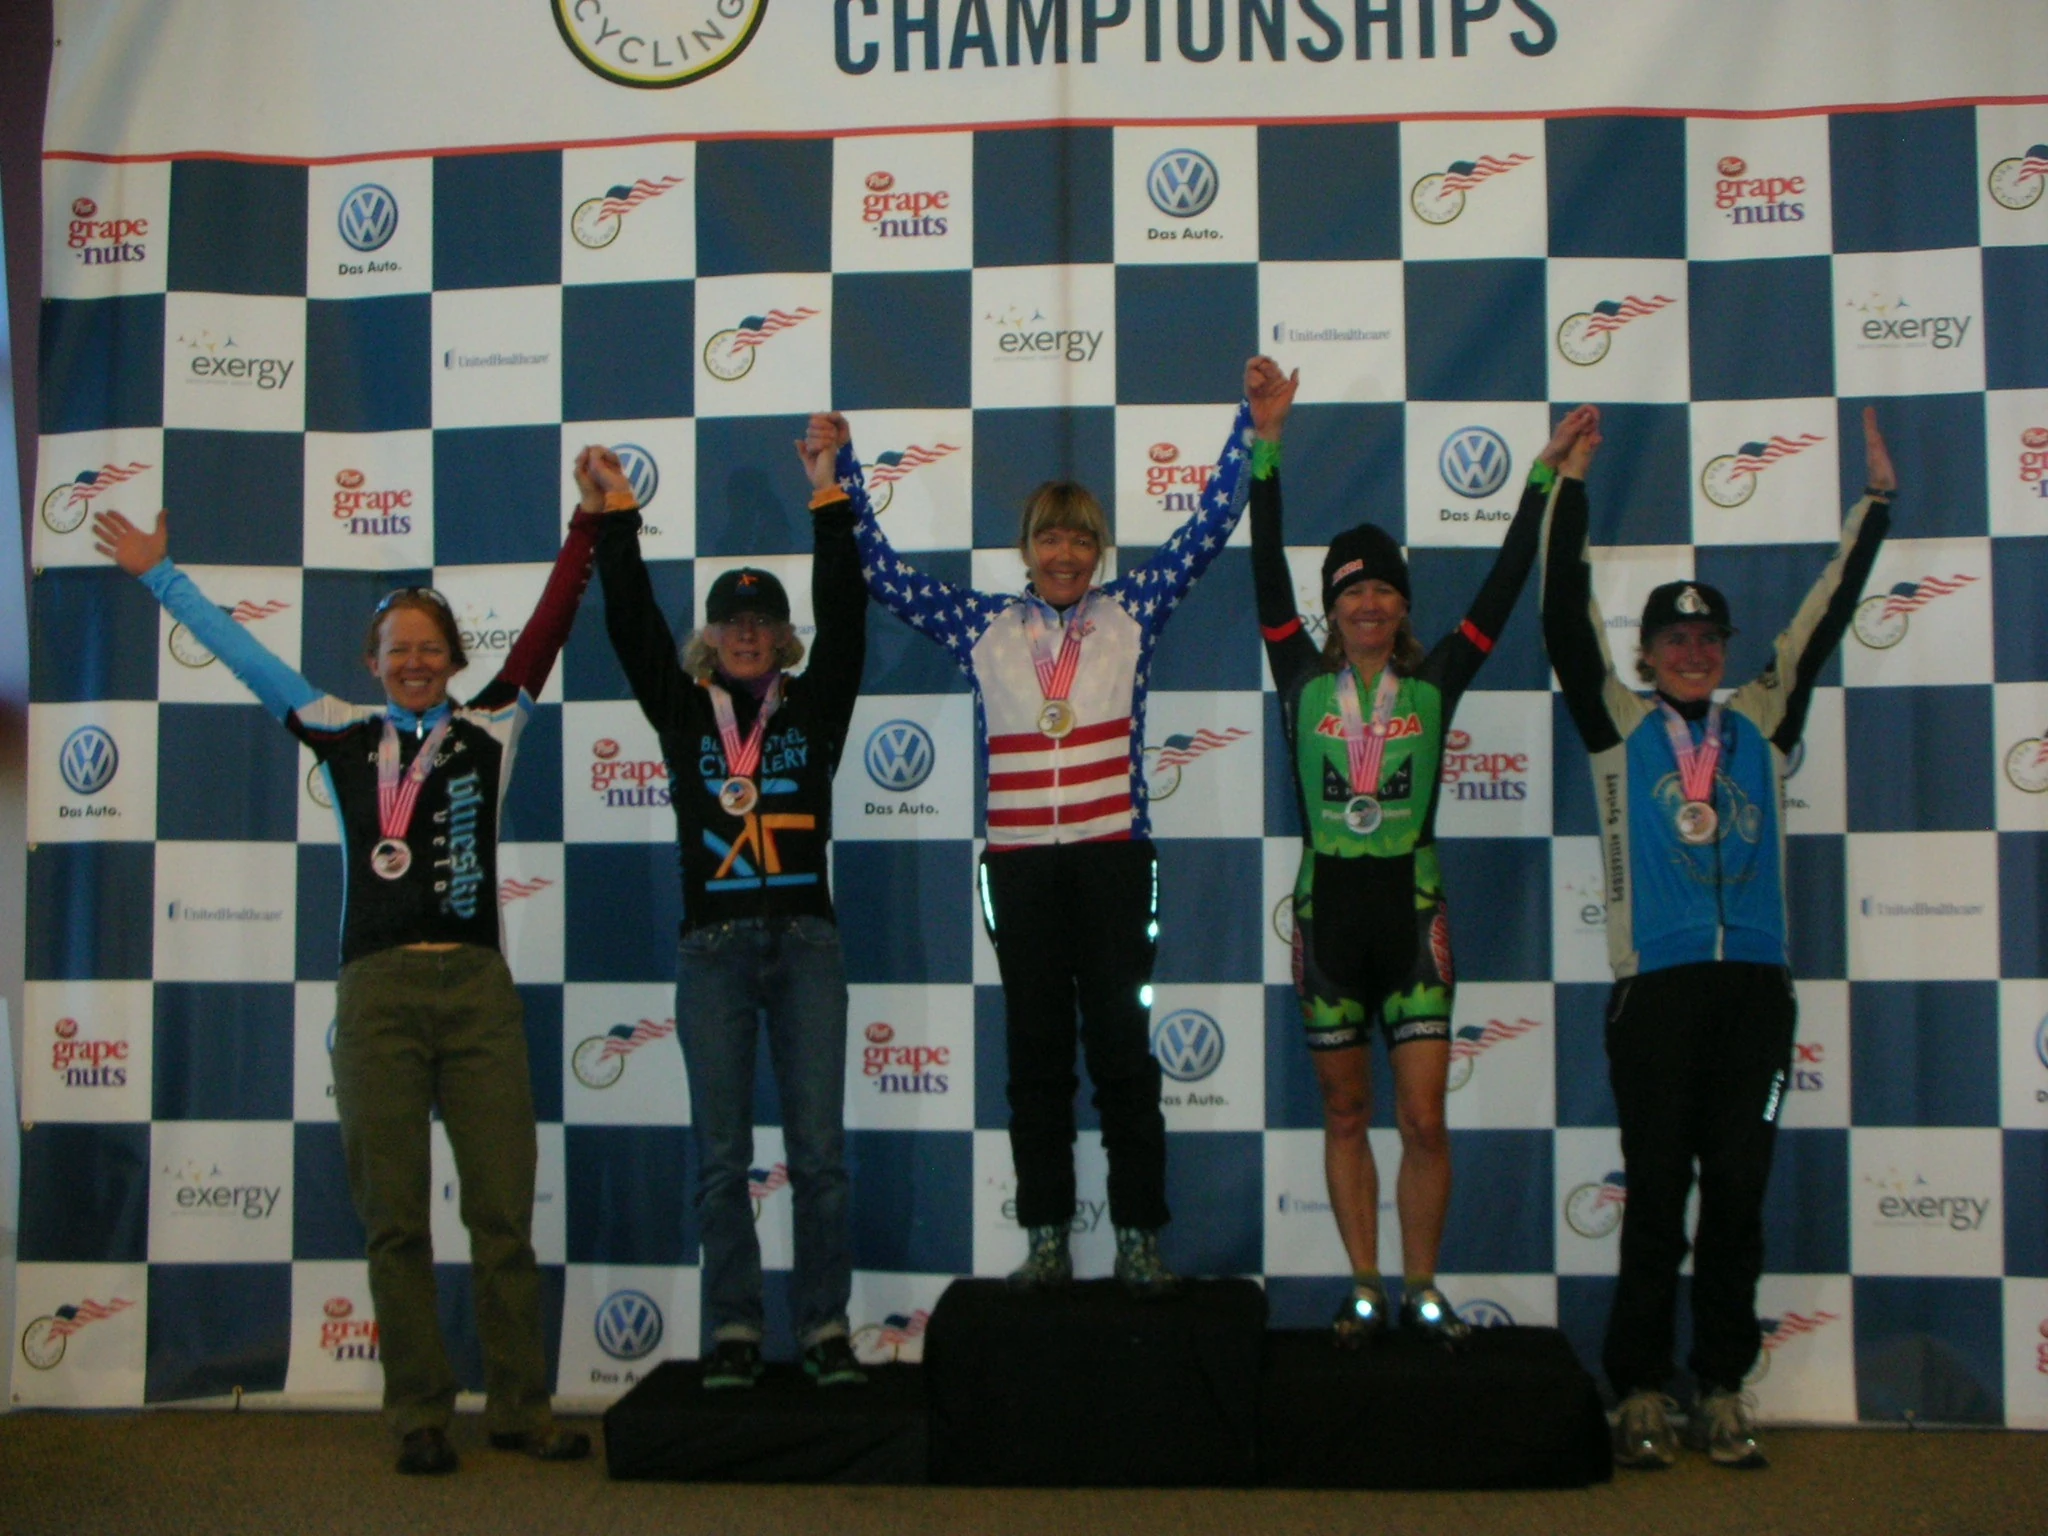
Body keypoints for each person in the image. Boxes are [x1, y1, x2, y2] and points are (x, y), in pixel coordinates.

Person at [92, 451, 628, 1474]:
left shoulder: (492, 726)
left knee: (502, 1217)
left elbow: (548, 627)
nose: (415, 662)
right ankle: (418, 1413)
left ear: (453, 658)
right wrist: (162, 575)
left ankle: (520, 1409)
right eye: (397, 650)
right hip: (377, 995)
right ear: (372, 662)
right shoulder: (338, 730)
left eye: (429, 648)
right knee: (394, 1220)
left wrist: (586, 524)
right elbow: (244, 658)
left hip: (477, 995)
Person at [842, 367, 1261, 1296]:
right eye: (1048, 536)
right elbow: (883, 576)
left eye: (1079, 537)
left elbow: (1208, 528)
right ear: (1026, 550)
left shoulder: (1133, 612)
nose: (1064, 553)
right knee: (1034, 1061)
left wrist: (1253, 428)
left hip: (1115, 863)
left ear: (1099, 551)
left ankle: (1140, 1238)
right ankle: (1045, 1239)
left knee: (1123, 1060)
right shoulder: (982, 625)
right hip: (1021, 870)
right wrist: (840, 475)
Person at [1542, 406, 1895, 1470]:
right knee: (1656, 1192)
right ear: (1646, 654)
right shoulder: (1616, 726)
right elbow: (1561, 617)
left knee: (1736, 1195)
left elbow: (1823, 619)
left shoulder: (1761, 722)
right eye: (1674, 641)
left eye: (1708, 641)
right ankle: (1641, 1388)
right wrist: (1568, 488)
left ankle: (1724, 1388)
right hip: (1654, 992)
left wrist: (1874, 509)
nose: (1693, 654)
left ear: (1724, 653)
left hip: (1754, 994)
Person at [1251, 362, 1597, 1346]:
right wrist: (1266, 444)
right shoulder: (1295, 676)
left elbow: (1503, 583)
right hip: (1325, 921)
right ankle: (1364, 1285)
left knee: (1424, 1120)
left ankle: (1423, 1286)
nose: (1368, 603)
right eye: (1351, 590)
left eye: (1383, 590)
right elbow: (1264, 566)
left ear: (1402, 606)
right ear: (1330, 607)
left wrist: (1543, 477)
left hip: (1412, 917)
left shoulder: (1438, 678)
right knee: (1344, 1114)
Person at [592, 419, 868, 1389]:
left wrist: (828, 493)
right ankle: (737, 1330)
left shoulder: (815, 704)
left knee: (819, 1154)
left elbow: (848, 612)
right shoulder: (683, 711)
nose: (747, 634)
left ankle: (825, 1327)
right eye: (731, 622)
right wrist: (615, 521)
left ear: (784, 637)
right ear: (708, 637)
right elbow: (630, 625)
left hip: (807, 945)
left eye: (762, 622)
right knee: (721, 1158)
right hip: (711, 949)